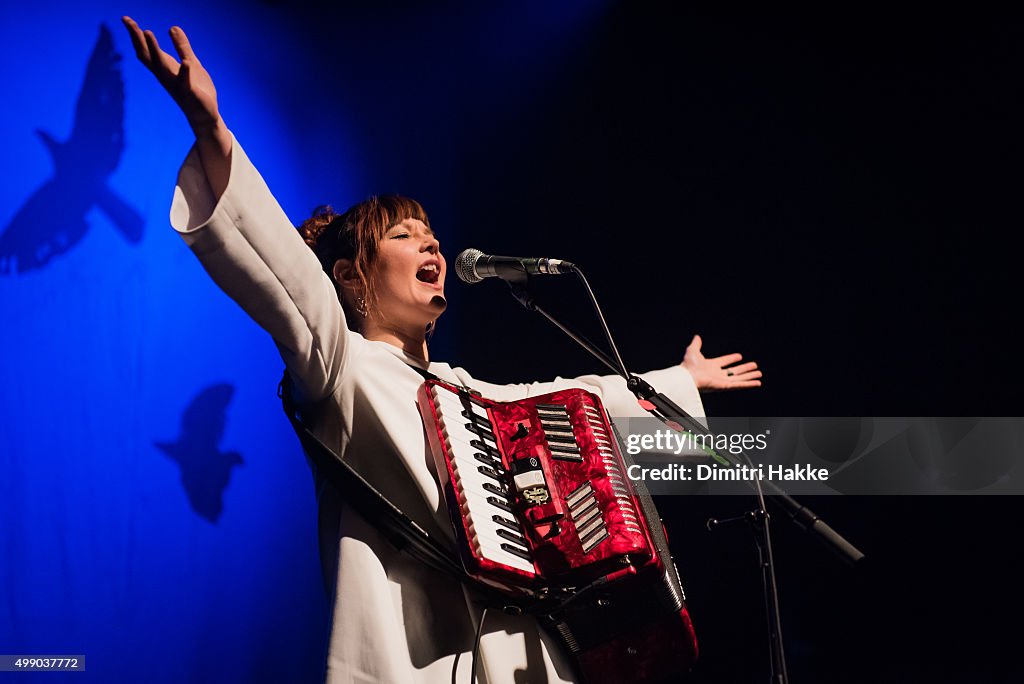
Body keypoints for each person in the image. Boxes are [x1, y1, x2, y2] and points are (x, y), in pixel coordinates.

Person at [121, 16, 762, 684]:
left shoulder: (470, 395)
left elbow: (583, 402)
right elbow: (285, 275)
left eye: (430, 234)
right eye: (404, 236)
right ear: (351, 275)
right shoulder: (343, 368)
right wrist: (213, 131)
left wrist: (677, 382)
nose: (430, 245)